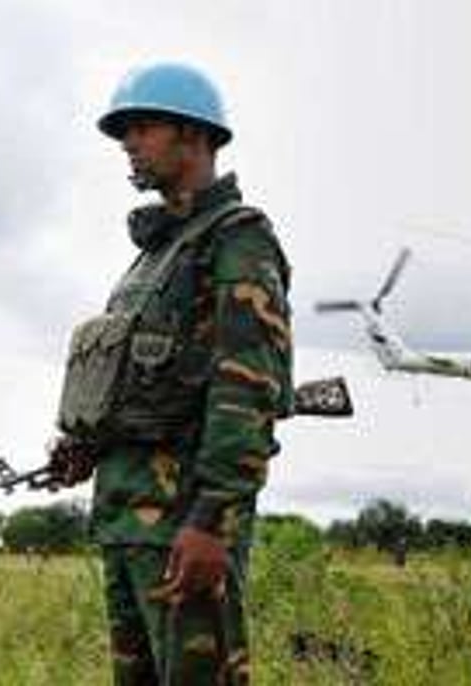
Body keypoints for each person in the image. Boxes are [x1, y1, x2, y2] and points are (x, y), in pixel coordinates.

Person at [55, 61, 293, 684]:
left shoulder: (237, 240)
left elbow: (247, 389)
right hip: (126, 519)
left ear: (194, 135)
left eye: (142, 127)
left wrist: (210, 521)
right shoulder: (151, 259)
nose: (129, 144)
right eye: (124, 131)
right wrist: (87, 443)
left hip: (185, 527)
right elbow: (140, 381)